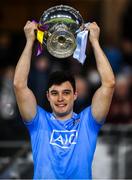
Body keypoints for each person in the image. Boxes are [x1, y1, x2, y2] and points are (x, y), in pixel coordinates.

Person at [13, 20, 115, 179]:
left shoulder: (87, 122)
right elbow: (19, 85)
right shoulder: (39, 121)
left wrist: (94, 41)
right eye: (55, 93)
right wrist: (29, 41)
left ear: (75, 95)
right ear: (48, 96)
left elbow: (109, 84)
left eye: (66, 92)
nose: (60, 98)